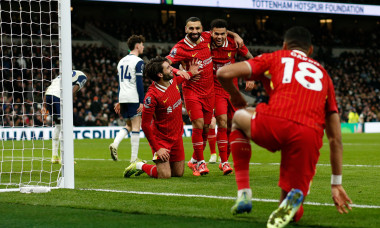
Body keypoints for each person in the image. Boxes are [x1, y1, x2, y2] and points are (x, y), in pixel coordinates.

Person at [217, 26, 352, 228]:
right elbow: (335, 139)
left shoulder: (275, 57)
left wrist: (235, 96)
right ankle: (294, 197)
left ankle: (244, 192)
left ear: (284, 45)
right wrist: (336, 183)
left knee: (237, 117)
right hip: (309, 135)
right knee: (293, 211)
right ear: (311, 50)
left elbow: (223, 72)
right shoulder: (324, 75)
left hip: (276, 121)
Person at [166, 16, 243, 176]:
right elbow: (165, 62)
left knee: (207, 128)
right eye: (191, 29)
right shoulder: (180, 47)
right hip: (192, 90)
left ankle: (194, 160)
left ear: (202, 30)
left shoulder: (207, 37)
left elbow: (221, 32)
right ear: (186, 29)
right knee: (199, 124)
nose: (195, 31)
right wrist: (179, 71)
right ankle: (201, 163)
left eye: (197, 28)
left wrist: (235, 35)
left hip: (209, 92)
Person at [123, 56, 199, 178]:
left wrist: (191, 73)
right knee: (165, 175)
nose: (172, 69)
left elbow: (180, 79)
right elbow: (145, 125)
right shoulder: (152, 96)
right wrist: (158, 148)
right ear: (160, 74)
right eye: (168, 68)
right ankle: (139, 165)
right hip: (161, 140)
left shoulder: (172, 80)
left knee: (178, 173)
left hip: (176, 136)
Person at [209, 19, 254, 175]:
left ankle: (224, 159)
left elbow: (251, 59)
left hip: (232, 90)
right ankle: (224, 162)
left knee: (232, 126)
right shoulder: (205, 43)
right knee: (221, 122)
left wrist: (251, 77)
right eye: (216, 33)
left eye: (223, 33)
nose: (219, 37)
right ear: (211, 33)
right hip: (215, 90)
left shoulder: (234, 43)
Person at [109, 35, 145, 163]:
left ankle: (115, 143)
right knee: (136, 126)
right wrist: (142, 101)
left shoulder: (121, 61)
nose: (143, 47)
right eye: (142, 44)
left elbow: (120, 83)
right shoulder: (138, 61)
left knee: (128, 125)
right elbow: (139, 83)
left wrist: (119, 100)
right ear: (137, 46)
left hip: (123, 97)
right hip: (133, 97)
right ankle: (134, 158)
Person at [43, 69, 90, 164]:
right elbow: (74, 90)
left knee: (58, 125)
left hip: (48, 96)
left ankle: (54, 156)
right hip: (58, 97)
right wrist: (67, 101)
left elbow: (49, 88)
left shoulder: (64, 73)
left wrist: (44, 106)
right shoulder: (83, 76)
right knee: (66, 127)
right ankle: (65, 158)